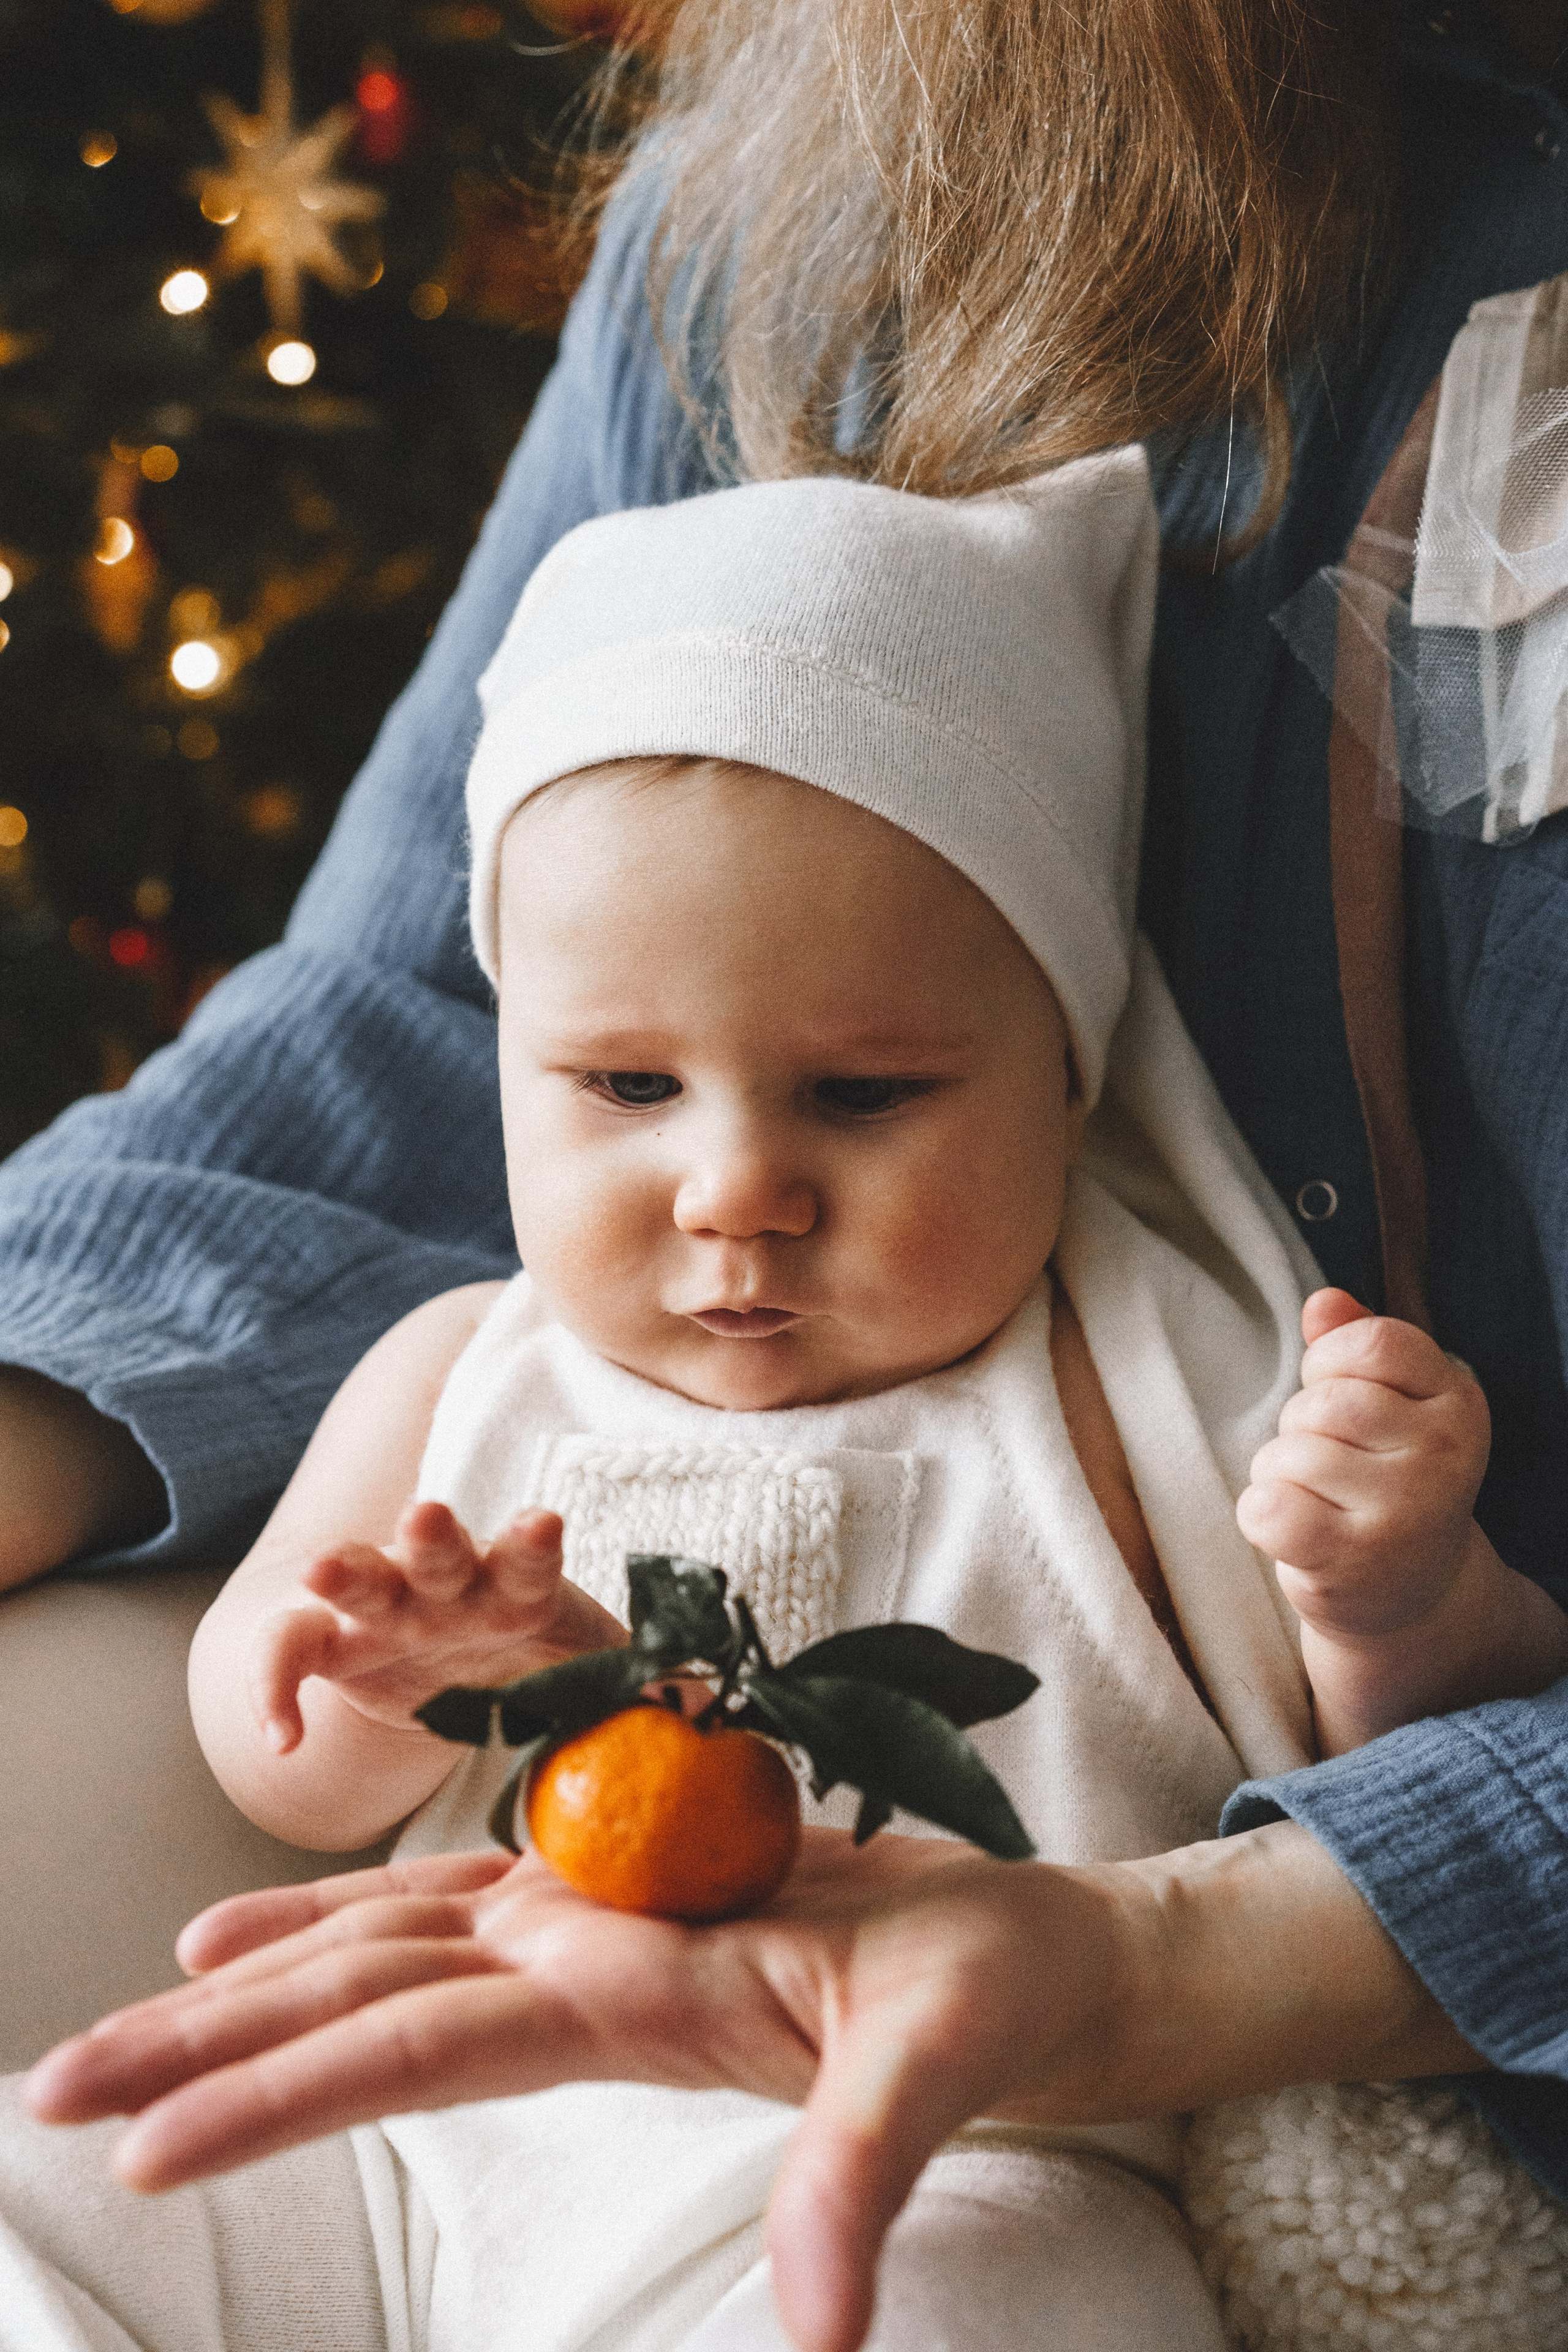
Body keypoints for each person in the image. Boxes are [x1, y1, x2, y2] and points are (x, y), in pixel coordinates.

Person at [2, 0, 1568, 2341]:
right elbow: (416, 1025)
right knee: (64, 2186)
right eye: (628, 1095)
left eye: (862, 1098)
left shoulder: (1159, 1359)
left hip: (961, 2154)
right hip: (442, 2111)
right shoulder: (474, 1368)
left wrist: (1379, 1580)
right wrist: (394, 1665)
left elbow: (1403, 1703)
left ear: (1067, 1065)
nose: (735, 1191)